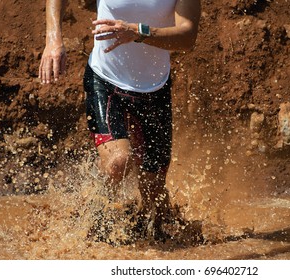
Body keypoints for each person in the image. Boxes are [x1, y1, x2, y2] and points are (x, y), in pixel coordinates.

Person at [39, 0, 201, 239]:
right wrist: (53, 40)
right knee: (118, 162)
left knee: (153, 194)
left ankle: (161, 228)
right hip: (106, 80)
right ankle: (84, 218)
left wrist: (138, 32)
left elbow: (187, 37)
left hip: (154, 89)